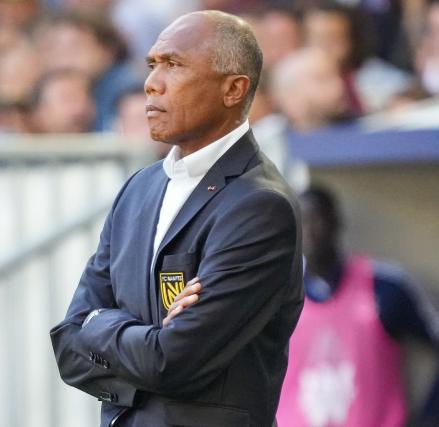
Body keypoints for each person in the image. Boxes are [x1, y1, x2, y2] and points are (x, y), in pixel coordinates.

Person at [50, 10, 303, 427]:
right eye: (152, 64)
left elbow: (174, 361)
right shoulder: (138, 189)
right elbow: (68, 347)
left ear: (233, 89)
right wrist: (144, 341)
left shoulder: (259, 206)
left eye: (173, 64)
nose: (151, 82)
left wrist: (100, 326)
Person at [276, 185, 439, 427]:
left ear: (336, 222)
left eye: (316, 218)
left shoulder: (386, 285)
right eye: (301, 220)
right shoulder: (276, 295)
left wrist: (429, 418)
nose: (309, 229)